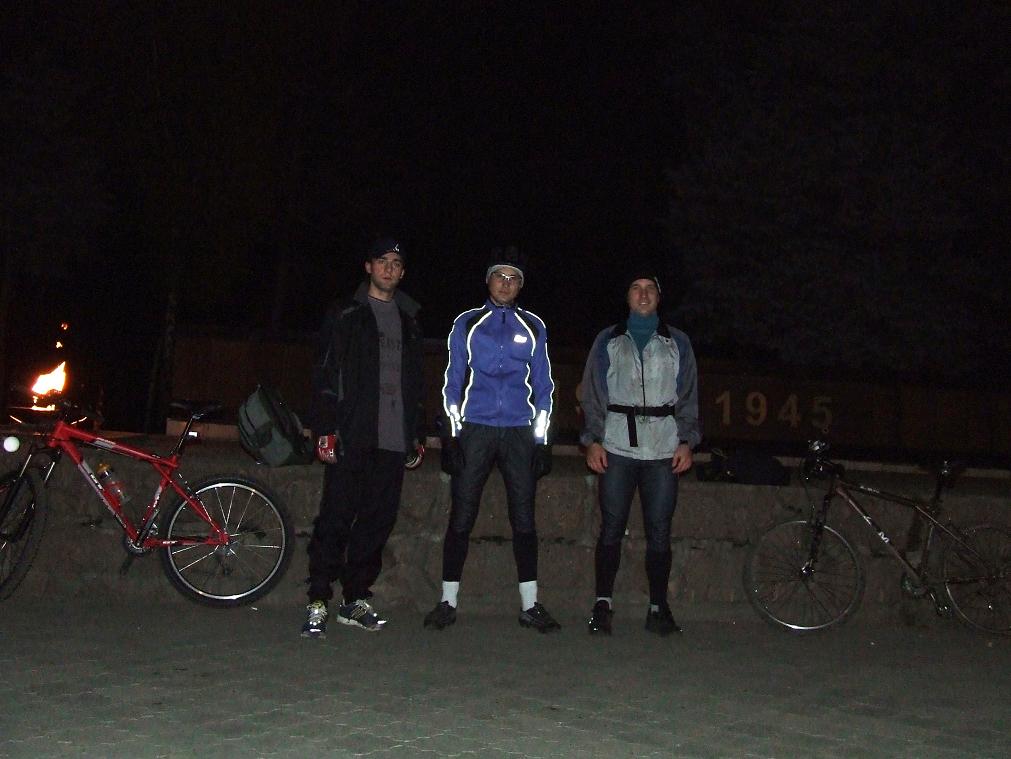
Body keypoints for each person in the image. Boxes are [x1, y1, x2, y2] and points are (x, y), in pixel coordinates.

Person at [424, 249, 558, 632]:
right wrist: (452, 437)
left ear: (521, 285)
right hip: (476, 427)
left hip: (518, 430)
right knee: (462, 515)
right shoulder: (467, 323)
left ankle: (530, 605)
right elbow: (453, 381)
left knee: (524, 518)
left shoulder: (533, 325)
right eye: (500, 276)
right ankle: (447, 601)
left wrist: (542, 441)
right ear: (488, 280)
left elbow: (544, 386)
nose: (506, 284)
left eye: (513, 278)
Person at [301, 238, 424, 638]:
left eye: (396, 263)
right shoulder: (345, 313)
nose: (389, 268)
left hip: (393, 437)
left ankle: (355, 599)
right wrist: (324, 428)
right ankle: (318, 597)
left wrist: (415, 434)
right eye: (382, 261)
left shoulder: (409, 319)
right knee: (335, 516)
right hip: (352, 432)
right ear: (368, 266)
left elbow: (414, 383)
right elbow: (325, 373)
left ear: (402, 272)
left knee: (377, 521)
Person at [579, 270, 701, 636]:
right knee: (611, 527)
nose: (643, 295)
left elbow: (688, 394)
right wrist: (593, 440)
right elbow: (593, 392)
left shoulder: (678, 341)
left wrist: (687, 440)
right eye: (636, 288)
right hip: (617, 446)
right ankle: (603, 604)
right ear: (628, 296)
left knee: (660, 531)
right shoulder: (608, 339)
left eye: (650, 289)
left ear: (659, 297)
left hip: (663, 448)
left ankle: (658, 607)